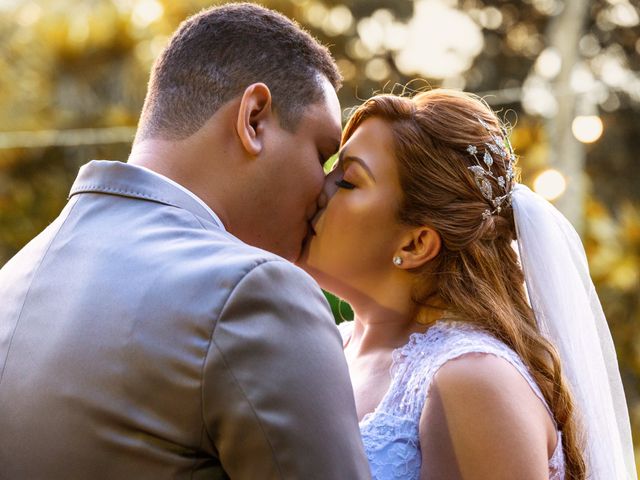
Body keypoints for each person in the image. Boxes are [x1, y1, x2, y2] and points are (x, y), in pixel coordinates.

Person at [0, 4, 371, 479]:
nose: (325, 189)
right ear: (254, 120)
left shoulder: (17, 274)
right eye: (322, 153)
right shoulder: (254, 291)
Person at [299, 89, 637, 479]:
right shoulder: (328, 347)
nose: (319, 189)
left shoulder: (475, 383)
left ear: (415, 244)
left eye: (347, 182)